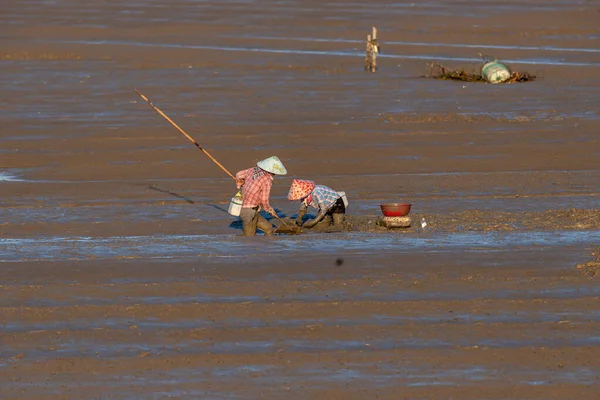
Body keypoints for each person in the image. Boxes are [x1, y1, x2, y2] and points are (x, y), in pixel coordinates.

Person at [235, 156, 287, 236]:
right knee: (249, 237)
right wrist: (270, 210)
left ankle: (267, 247)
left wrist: (240, 183)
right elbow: (264, 200)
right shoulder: (267, 180)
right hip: (248, 211)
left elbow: (238, 175)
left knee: (269, 228)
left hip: (250, 209)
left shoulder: (253, 170)